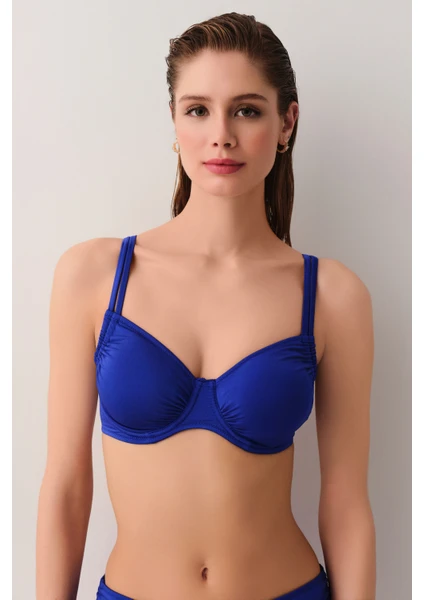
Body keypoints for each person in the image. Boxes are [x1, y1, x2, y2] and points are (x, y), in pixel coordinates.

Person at [36, 12, 376, 600]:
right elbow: (65, 486)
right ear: (174, 120)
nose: (221, 134)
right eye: (198, 110)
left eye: (246, 110)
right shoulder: (93, 276)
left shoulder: (332, 296)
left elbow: (346, 505)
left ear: (287, 122)